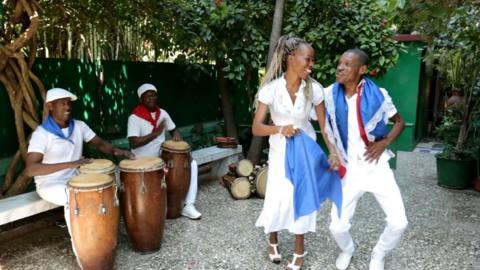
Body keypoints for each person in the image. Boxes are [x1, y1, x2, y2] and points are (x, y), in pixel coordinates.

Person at [252, 34, 340, 270]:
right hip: (280, 152)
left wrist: (332, 150)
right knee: (277, 196)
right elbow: (257, 128)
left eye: (313, 60)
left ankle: (299, 251)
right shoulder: (270, 90)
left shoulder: (315, 90)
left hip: (305, 152)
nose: (311, 65)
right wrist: (280, 128)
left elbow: (324, 127)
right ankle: (272, 240)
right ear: (291, 58)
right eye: (307, 59)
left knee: (301, 196)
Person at [25, 88, 134, 265]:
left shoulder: (79, 126)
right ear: (50, 106)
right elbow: (31, 169)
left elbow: (99, 144)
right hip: (50, 183)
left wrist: (119, 151)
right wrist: (70, 164)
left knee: (103, 187)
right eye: (62, 102)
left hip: (76, 179)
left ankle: (100, 238)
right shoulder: (42, 134)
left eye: (69, 102)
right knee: (77, 198)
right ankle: (85, 256)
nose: (67, 106)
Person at [324, 49, 408, 270]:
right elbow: (322, 126)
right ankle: (348, 249)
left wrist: (384, 142)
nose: (340, 67)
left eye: (347, 64)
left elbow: (399, 122)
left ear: (361, 70)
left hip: (376, 167)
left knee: (399, 222)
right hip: (349, 170)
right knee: (337, 227)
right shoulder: (328, 96)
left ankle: (378, 254)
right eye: (339, 62)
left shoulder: (378, 94)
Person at [127, 83, 201, 220]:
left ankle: (188, 205)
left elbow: (174, 130)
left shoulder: (163, 114)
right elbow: (133, 142)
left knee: (192, 164)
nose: (151, 98)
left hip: (163, 157)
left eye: (153, 95)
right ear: (141, 100)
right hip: (142, 161)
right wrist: (155, 134)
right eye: (147, 96)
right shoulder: (134, 117)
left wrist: (177, 137)